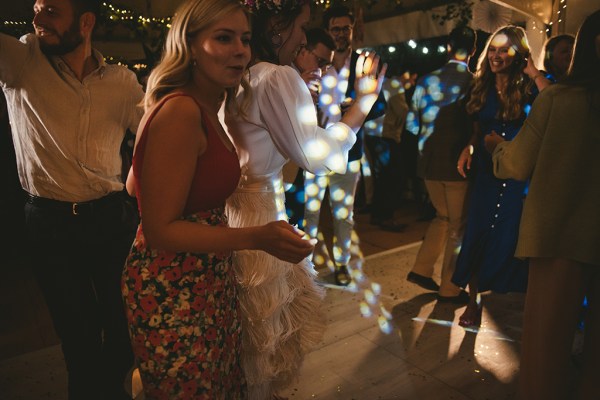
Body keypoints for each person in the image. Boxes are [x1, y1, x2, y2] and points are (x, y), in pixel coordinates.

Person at [120, 0, 317, 398]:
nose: (241, 50)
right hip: (172, 283)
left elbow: (132, 184)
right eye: (223, 38)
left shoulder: (206, 105)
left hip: (204, 276)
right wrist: (257, 237)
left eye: (244, 39)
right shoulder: (181, 110)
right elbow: (159, 231)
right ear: (190, 46)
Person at [223, 0, 386, 397]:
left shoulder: (235, 73)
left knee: (242, 332)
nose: (302, 39)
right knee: (262, 336)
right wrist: (362, 105)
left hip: (230, 210)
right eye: (300, 27)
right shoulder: (275, 77)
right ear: (277, 27)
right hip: (260, 213)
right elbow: (316, 157)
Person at [0, 0, 144, 398]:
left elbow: (156, 133)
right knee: (78, 339)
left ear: (85, 22)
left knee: (125, 329)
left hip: (111, 220)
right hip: (49, 226)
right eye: (36, 9)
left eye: (50, 12)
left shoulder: (122, 81)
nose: (37, 19)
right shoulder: (19, 60)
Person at [485, 10, 600, 399]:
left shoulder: (559, 99)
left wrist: (496, 148)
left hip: (559, 237)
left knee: (544, 352)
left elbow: (516, 164)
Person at [453, 25, 551, 327]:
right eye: (492, 49)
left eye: (503, 50)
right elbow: (475, 129)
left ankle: (527, 307)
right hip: (485, 172)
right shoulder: (479, 86)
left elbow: (555, 105)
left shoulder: (531, 88)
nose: (495, 56)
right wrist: (468, 147)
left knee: (514, 237)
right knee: (478, 233)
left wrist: (534, 72)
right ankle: (474, 303)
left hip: (518, 173)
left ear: (518, 54)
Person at [303, 4, 387, 286]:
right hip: (313, 150)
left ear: (353, 31)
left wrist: (356, 106)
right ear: (328, 31)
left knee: (344, 213)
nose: (340, 34)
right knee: (311, 210)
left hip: (350, 152)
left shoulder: (363, 63)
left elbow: (379, 105)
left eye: (345, 28)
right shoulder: (316, 62)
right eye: (335, 29)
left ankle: (341, 264)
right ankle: (305, 265)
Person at [405, 26, 477, 303]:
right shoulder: (475, 82)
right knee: (458, 226)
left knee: (442, 217)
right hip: (459, 166)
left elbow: (412, 125)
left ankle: (421, 269)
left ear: (448, 46)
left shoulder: (426, 81)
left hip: (429, 164)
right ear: (473, 51)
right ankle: (449, 288)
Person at [284, 27, 336, 227]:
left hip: (298, 168)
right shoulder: (281, 76)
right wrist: (299, 91)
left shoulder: (310, 80)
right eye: (320, 61)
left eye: (327, 65)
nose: (322, 70)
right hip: (276, 175)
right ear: (303, 50)